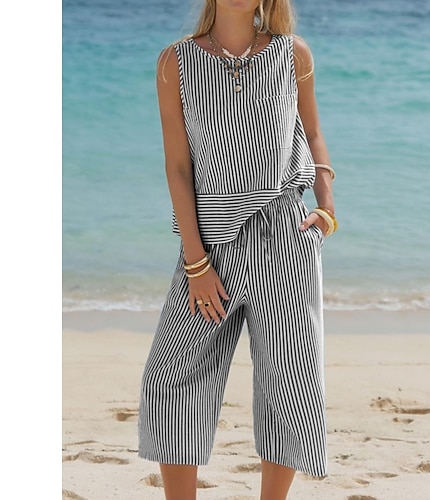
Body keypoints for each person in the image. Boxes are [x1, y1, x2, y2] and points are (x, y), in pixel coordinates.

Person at [138, 1, 337, 498]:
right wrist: (196, 262)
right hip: (211, 244)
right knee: (170, 377)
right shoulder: (175, 62)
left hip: (285, 238)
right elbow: (178, 167)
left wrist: (327, 208)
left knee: (289, 384)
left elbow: (313, 132)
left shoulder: (293, 54)